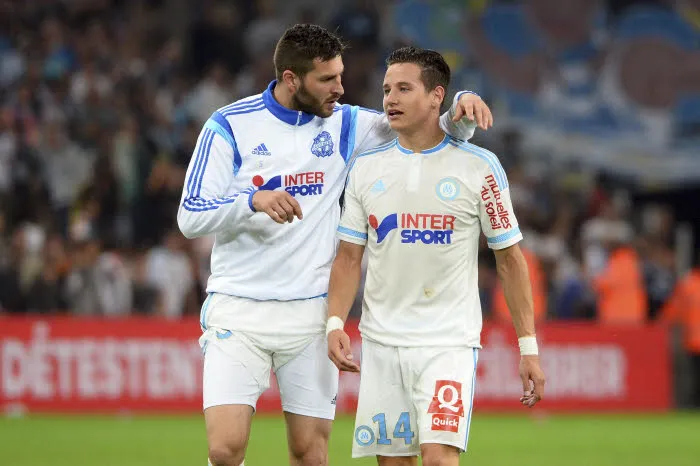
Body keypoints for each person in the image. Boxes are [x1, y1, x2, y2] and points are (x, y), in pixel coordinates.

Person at [176, 24, 493, 466]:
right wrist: (251, 201)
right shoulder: (230, 125)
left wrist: (461, 107)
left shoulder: (345, 124)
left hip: (310, 313)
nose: (340, 89)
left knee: (311, 454)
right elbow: (190, 215)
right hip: (238, 308)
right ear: (292, 79)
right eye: (327, 79)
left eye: (340, 76)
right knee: (224, 449)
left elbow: (423, 126)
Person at [326, 46, 545, 465]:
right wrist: (335, 322)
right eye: (387, 89)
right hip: (382, 342)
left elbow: (510, 259)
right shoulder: (366, 169)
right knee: (394, 462)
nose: (390, 99)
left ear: (436, 96)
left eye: (404, 88)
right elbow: (349, 257)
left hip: (448, 342)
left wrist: (528, 348)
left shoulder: (481, 167)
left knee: (439, 458)